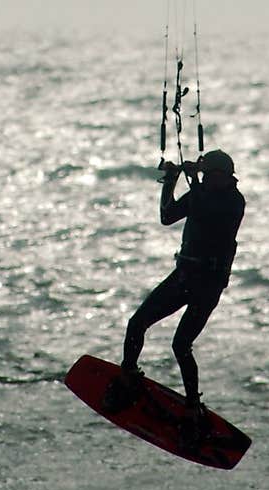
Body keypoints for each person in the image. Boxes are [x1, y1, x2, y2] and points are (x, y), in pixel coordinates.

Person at [105, 148, 245, 427]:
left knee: (181, 344)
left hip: (207, 285)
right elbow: (167, 216)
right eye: (202, 176)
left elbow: (210, 213)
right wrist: (171, 180)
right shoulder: (201, 193)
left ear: (223, 176)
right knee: (136, 324)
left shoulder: (234, 201)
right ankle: (129, 374)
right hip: (184, 277)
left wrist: (192, 179)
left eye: (208, 175)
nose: (204, 179)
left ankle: (193, 405)